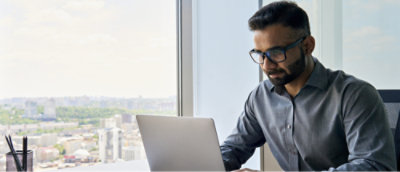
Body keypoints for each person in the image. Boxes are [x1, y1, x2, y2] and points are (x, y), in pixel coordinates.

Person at [220, 1, 396, 171]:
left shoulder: (354, 95)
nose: (266, 65)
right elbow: (234, 149)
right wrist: (207, 164)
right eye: (260, 54)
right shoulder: (261, 96)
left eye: (276, 53)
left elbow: (373, 166)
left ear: (307, 46)